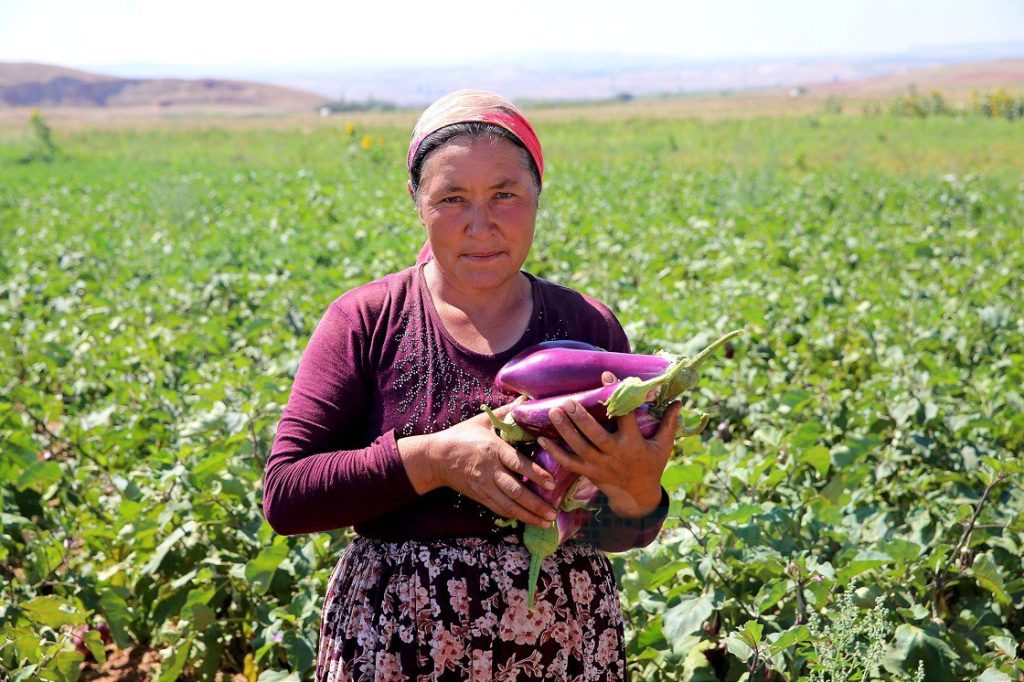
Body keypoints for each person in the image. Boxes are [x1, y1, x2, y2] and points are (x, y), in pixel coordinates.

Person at [262, 89, 682, 681]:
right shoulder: (365, 321)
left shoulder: (587, 326)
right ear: (417, 202)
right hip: (398, 648)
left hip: (559, 646)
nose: (480, 225)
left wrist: (639, 494)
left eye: (505, 195)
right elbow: (287, 495)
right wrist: (433, 459)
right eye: (452, 198)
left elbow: (611, 534)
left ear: (537, 197)